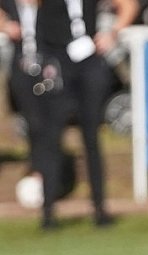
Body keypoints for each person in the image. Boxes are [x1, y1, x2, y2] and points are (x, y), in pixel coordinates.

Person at [0, 0, 138, 229]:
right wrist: (7, 24)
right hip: (57, 62)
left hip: (88, 62)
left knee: (91, 137)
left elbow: (128, 5)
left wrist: (112, 33)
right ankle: (48, 213)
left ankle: (99, 209)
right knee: (51, 137)